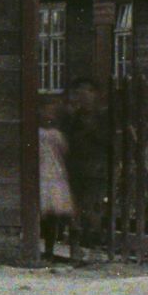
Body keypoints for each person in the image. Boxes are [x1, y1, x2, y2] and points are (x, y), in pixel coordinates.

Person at [64, 80, 110, 262]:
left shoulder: (102, 119)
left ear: (95, 95)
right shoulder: (73, 119)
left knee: (94, 209)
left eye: (88, 93)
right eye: (80, 94)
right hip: (76, 170)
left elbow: (108, 142)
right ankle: (75, 249)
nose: (84, 98)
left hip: (96, 170)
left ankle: (95, 248)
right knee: (75, 210)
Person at [38, 96, 75, 263]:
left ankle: (50, 249)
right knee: (43, 213)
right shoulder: (37, 133)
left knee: (53, 214)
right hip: (42, 174)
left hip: (54, 175)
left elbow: (65, 152)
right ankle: (44, 248)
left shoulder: (57, 135)